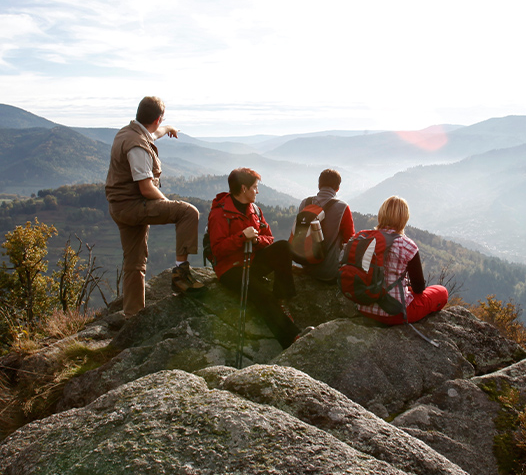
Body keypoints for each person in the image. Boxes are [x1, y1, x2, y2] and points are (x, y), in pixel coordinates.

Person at [105, 96, 204, 318]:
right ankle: (181, 274)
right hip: (134, 206)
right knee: (188, 212)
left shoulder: (128, 133)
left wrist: (168, 128)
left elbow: (152, 134)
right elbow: (146, 189)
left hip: (119, 207)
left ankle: (132, 315)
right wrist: (168, 205)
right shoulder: (138, 147)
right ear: (157, 118)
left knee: (134, 262)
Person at [208, 168, 298, 348]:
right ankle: (292, 338)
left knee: (283, 247)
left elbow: (270, 238)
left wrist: (256, 241)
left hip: (252, 261)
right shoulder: (219, 214)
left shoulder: (255, 210)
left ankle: (281, 298)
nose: (257, 191)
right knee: (262, 296)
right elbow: (217, 250)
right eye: (255, 187)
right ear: (243, 188)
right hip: (230, 269)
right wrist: (242, 237)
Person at [356, 196, 448, 325]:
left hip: (364, 307)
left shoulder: (364, 239)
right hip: (395, 313)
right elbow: (419, 288)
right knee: (441, 291)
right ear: (404, 218)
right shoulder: (407, 245)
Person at [295, 169, 355, 281]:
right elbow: (350, 240)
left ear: (319, 185)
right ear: (337, 188)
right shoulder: (343, 208)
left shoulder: (305, 203)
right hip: (329, 272)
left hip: (305, 265)